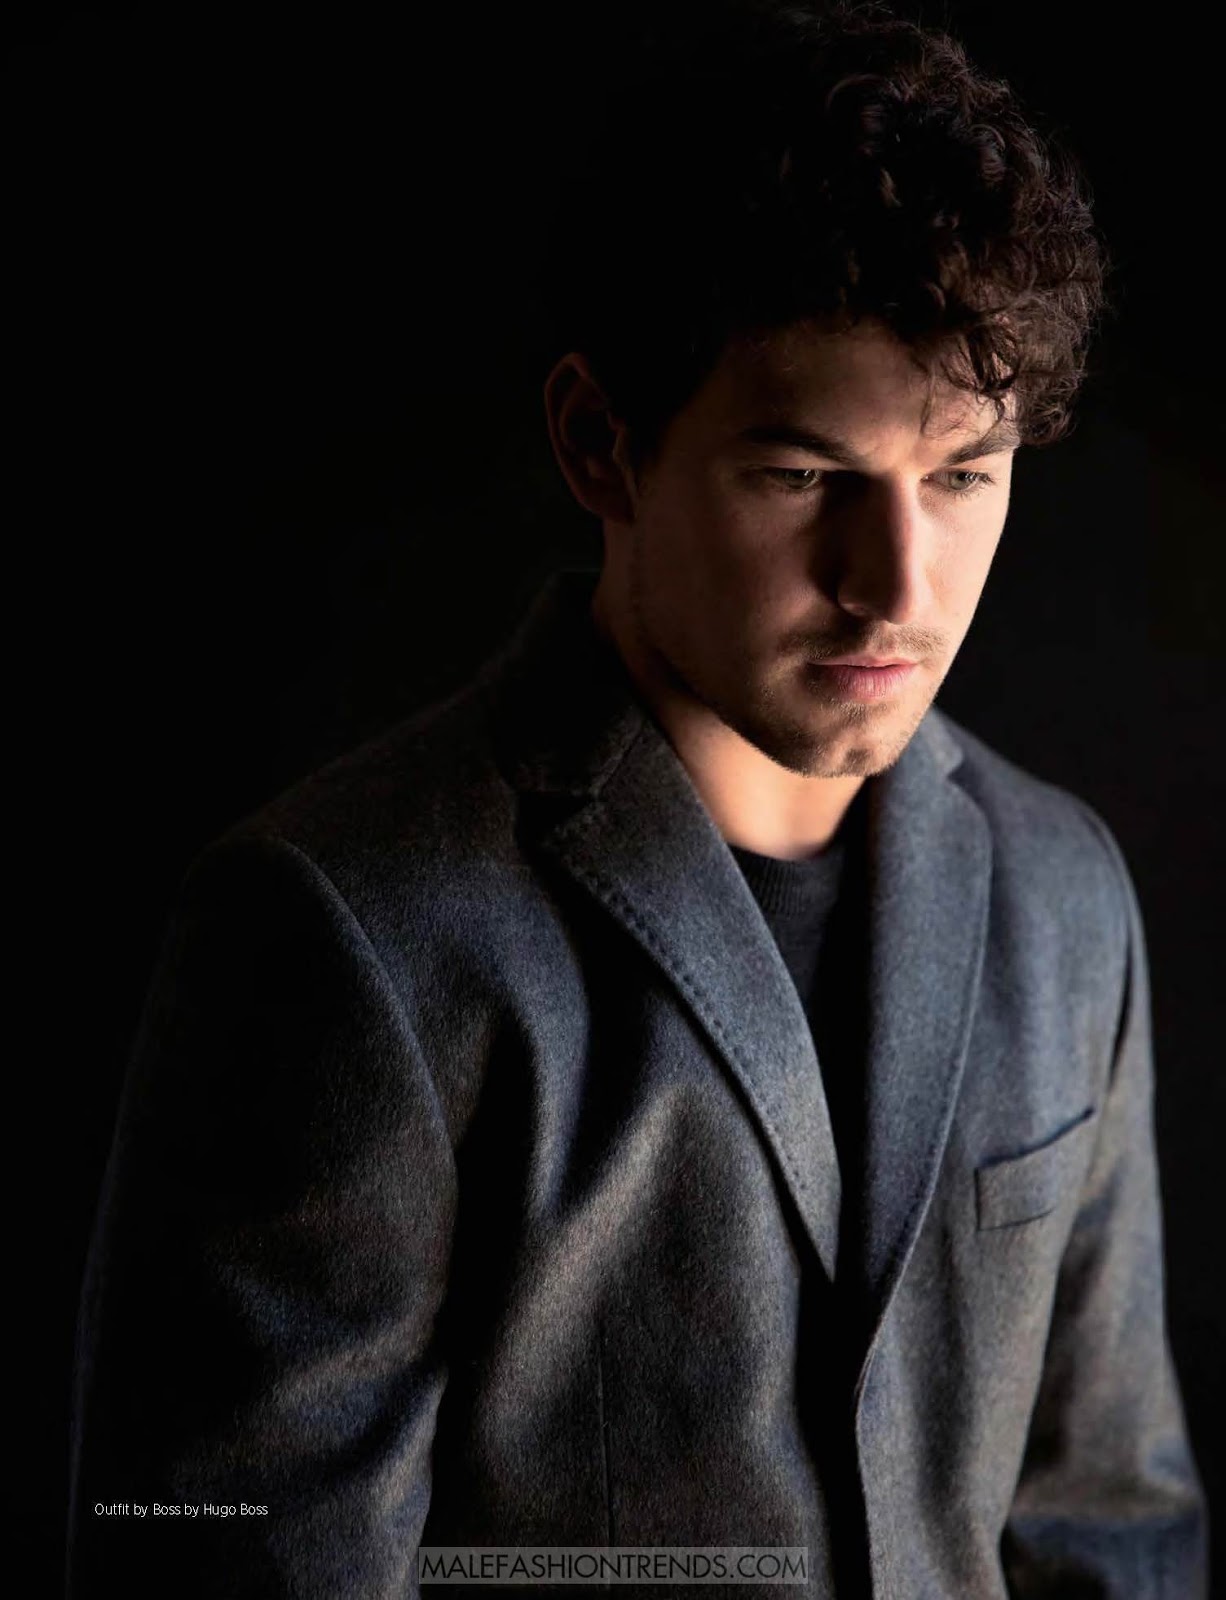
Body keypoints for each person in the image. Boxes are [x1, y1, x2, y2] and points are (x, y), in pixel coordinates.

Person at [68, 2, 1208, 1594]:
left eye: (960, 474)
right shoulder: (344, 930)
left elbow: (1109, 1526)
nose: (897, 586)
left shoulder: (1063, 892)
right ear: (599, 443)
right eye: (803, 478)